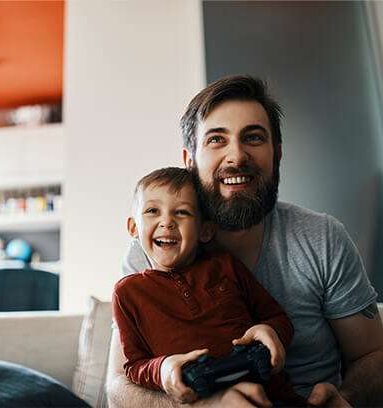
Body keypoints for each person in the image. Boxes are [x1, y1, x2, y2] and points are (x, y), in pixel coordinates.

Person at [107, 75, 383, 408]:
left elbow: (372, 354)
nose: (236, 156)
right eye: (216, 140)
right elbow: (119, 387)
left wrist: (347, 399)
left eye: (253, 137)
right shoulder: (152, 250)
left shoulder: (323, 238)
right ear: (189, 160)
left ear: (277, 153)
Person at [112, 167, 306, 406]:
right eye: (152, 211)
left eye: (182, 212)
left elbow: (277, 316)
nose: (167, 222)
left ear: (205, 230)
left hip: (271, 394)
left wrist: (271, 331)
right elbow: (133, 366)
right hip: (203, 396)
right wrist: (162, 369)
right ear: (133, 228)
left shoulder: (225, 266)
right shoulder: (127, 293)